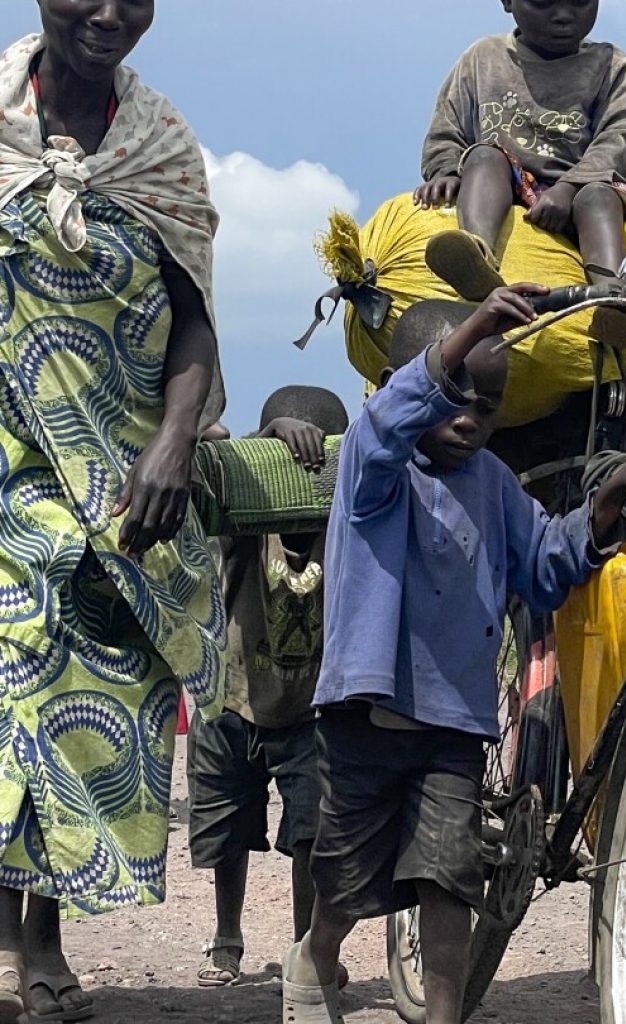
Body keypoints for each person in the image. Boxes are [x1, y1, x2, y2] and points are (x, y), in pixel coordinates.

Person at [280, 284, 626, 1024]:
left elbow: (547, 563)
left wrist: (604, 509)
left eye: (486, 405)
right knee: (347, 876)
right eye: (449, 395)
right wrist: (477, 328)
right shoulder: (374, 469)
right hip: (369, 715)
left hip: (455, 724)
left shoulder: (495, 487)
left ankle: (442, 1014)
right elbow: (392, 419)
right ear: (407, 388)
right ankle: (319, 953)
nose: (466, 418)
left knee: (448, 876)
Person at [0, 4, 224, 1022]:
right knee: (16, 670)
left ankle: (41, 930)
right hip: (7, 459)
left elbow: (195, 315)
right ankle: (21, 945)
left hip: (124, 475)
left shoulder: (162, 146)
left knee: (86, 699)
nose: (108, 12)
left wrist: (175, 440)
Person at [188, 387, 348, 988]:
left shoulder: (342, 525)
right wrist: (269, 438)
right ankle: (227, 938)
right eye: (287, 467)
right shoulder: (247, 524)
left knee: (312, 832)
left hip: (311, 709)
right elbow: (214, 467)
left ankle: (307, 948)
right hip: (232, 699)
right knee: (227, 830)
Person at [414, 0, 626, 316]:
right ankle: (476, 257)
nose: (564, 15)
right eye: (542, 3)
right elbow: (448, 127)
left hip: (581, 188)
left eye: (581, 2)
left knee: (597, 198)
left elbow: (622, 135)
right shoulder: (483, 58)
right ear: (508, 2)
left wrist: (568, 188)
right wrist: (445, 171)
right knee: (484, 156)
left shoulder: (610, 64)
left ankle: (615, 299)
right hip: (506, 183)